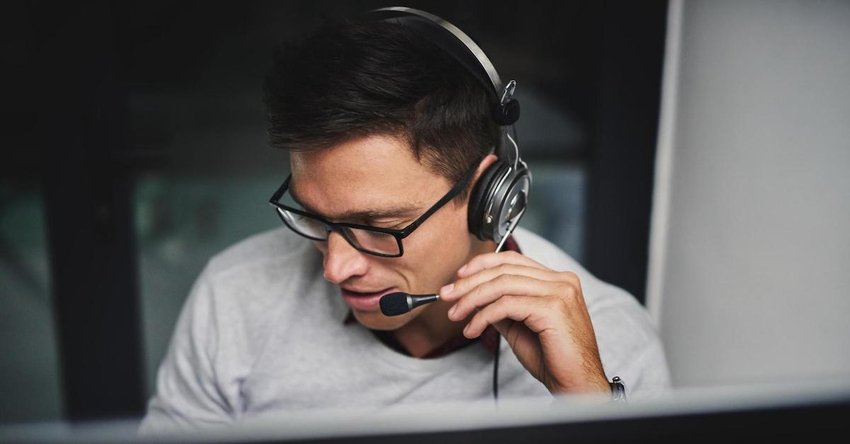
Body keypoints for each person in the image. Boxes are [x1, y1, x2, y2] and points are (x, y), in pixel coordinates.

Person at [138, 7, 670, 434]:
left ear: (488, 193)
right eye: (316, 217)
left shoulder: (607, 342)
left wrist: (590, 407)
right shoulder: (234, 295)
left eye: (379, 226)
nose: (335, 267)